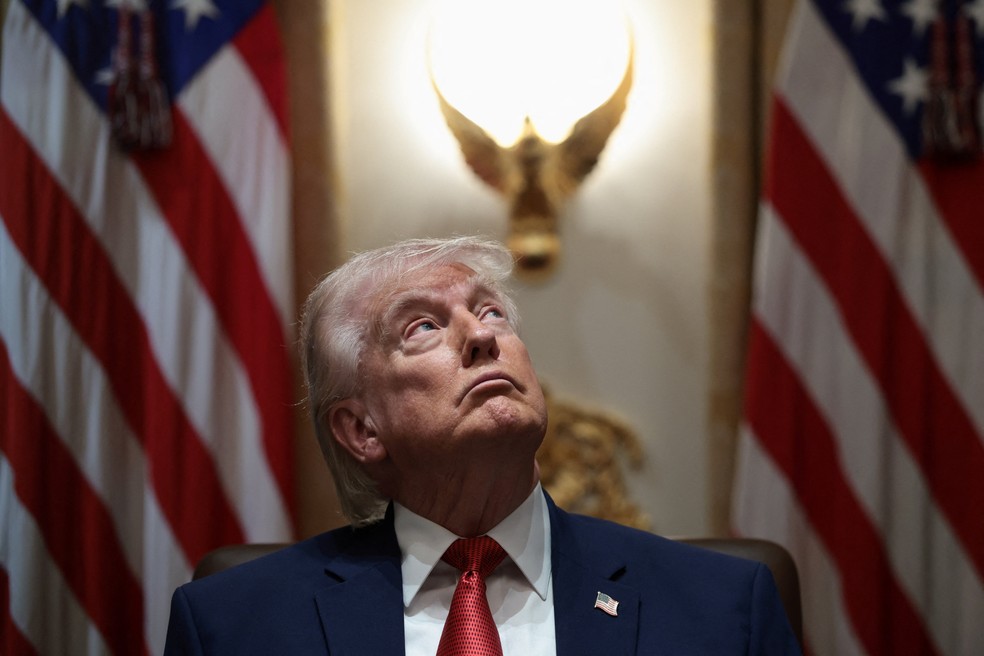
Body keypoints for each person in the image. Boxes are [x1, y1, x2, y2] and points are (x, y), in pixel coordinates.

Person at [163, 236, 801, 655]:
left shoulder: (723, 610)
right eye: (422, 327)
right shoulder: (234, 627)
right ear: (362, 430)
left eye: (492, 313)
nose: (481, 338)